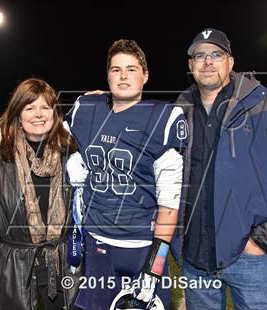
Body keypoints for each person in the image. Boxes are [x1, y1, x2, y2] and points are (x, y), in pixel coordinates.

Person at [175, 28, 267, 309]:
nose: (208, 61)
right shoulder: (179, 109)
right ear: (191, 66)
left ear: (230, 62)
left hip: (247, 256)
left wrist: (263, 239)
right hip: (195, 258)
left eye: (216, 54)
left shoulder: (264, 103)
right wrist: (106, 100)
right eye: (199, 56)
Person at [66, 39, 188, 309]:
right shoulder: (85, 109)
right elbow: (43, 131)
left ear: (145, 76)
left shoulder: (163, 118)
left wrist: (155, 267)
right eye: (116, 69)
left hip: (141, 248)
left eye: (131, 69)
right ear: (107, 75)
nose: (123, 76)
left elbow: (169, 205)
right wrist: (2, 134)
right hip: (96, 244)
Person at [0, 78, 80, 310]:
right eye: (29, 108)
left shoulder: (73, 156)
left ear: (54, 114)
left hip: (62, 269)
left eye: (45, 107)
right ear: (18, 114)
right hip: (14, 270)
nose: (38, 114)